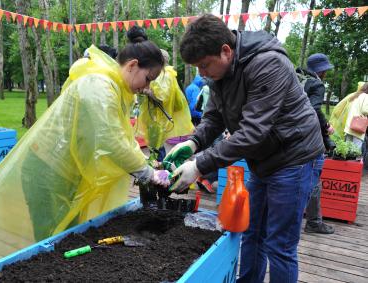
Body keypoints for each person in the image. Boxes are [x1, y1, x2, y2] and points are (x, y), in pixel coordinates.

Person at [0, 34, 169, 264]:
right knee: (51, 240)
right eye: (148, 79)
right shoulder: (98, 85)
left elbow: (121, 137)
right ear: (133, 65)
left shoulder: (114, 87)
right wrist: (147, 173)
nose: (146, 87)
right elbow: (112, 139)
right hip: (46, 169)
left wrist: (146, 165)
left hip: (65, 172)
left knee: (67, 235)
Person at [164, 14, 324, 283]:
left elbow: (251, 133)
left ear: (226, 51)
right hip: (263, 160)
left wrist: (200, 165)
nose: (202, 74)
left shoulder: (268, 63)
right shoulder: (220, 73)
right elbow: (214, 118)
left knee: (279, 245)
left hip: (295, 158)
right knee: (250, 232)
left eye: (204, 65)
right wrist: (193, 143)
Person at [132, 26, 193, 163]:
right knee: (157, 148)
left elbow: (162, 97)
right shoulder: (165, 74)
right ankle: (162, 173)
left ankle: (162, 175)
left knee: (160, 151)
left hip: (161, 120)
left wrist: (147, 91)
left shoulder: (165, 75)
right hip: (157, 119)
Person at [296, 53, 335, 234]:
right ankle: (312, 222)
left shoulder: (296, 77)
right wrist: (326, 127)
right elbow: (313, 109)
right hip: (309, 140)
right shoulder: (317, 84)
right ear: (321, 70)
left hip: (290, 138)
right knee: (313, 180)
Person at [344, 82, 368, 149]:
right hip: (358, 127)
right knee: (356, 151)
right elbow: (365, 110)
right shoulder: (366, 96)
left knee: (347, 150)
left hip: (350, 126)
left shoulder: (356, 95)